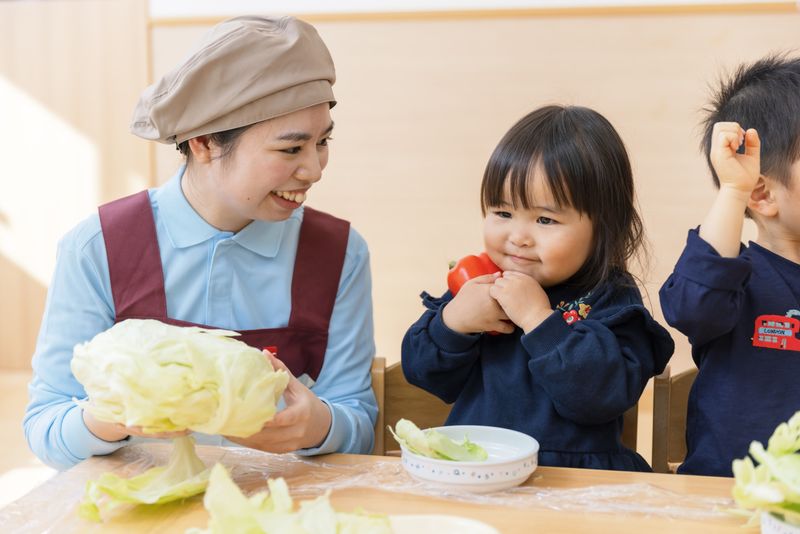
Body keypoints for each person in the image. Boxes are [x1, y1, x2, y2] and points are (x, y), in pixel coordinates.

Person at [24, 15, 377, 470]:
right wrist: (108, 417)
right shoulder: (97, 248)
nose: (314, 169)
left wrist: (321, 425)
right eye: (291, 149)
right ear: (205, 143)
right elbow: (45, 427)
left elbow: (359, 420)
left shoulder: (339, 253)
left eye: (322, 142)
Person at [402, 105, 674, 471]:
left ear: (604, 228)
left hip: (577, 482)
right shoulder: (482, 281)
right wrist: (453, 322)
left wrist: (538, 319)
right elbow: (424, 374)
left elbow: (601, 396)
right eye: (502, 213)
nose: (518, 237)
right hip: (481, 470)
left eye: (545, 219)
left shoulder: (611, 298)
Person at [659, 54, 800, 477]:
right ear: (762, 194)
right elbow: (691, 305)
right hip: (728, 497)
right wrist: (733, 189)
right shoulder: (739, 280)